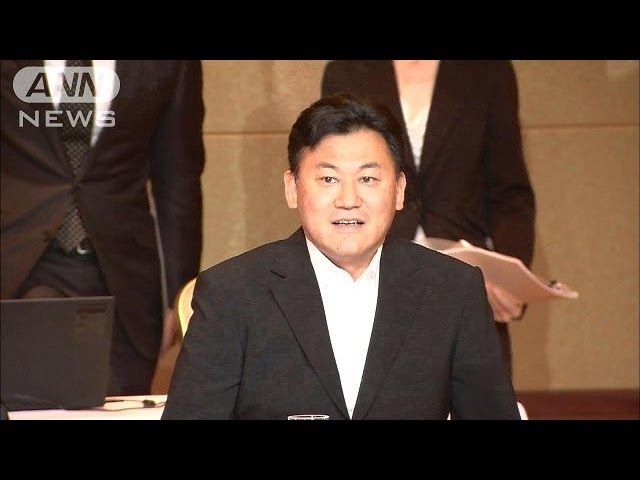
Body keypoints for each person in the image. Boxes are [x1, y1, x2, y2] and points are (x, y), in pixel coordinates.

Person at [162, 94, 519, 420]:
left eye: (368, 179)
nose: (349, 200)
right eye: (329, 179)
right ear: (292, 187)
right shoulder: (232, 294)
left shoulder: (453, 291)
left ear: (399, 190)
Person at [1, 60, 205, 395]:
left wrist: (177, 296)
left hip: (123, 280)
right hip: (16, 266)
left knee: (117, 402)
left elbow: (178, 179)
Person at [321, 60, 536, 377]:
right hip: (371, 275)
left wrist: (508, 279)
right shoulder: (348, 69)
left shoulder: (488, 70)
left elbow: (509, 192)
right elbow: (334, 179)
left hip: (467, 280)